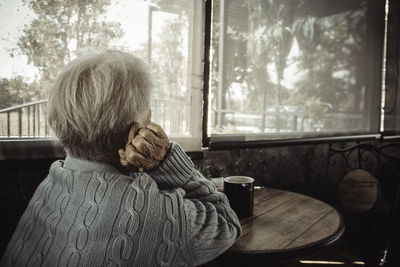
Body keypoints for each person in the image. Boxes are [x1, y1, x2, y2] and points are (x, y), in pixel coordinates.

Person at [1, 49, 241, 266]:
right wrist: (166, 160)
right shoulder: (156, 214)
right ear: (134, 133)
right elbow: (226, 222)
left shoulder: (51, 184)